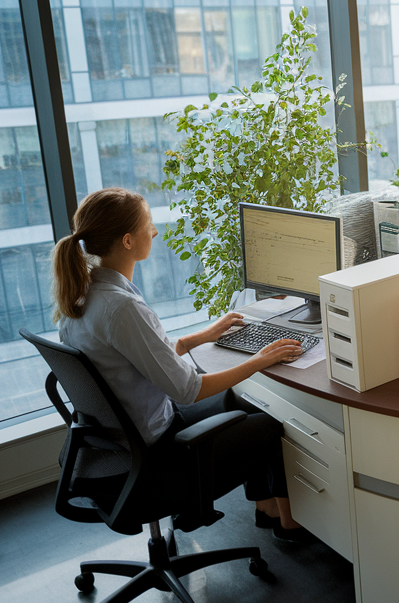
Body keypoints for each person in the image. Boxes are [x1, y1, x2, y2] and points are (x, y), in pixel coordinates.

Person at [54, 188, 313, 542]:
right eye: (149, 224)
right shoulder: (122, 308)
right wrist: (260, 359)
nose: (155, 232)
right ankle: (290, 525)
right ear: (128, 240)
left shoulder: (85, 295)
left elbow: (136, 360)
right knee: (269, 424)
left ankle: (268, 508)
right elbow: (189, 390)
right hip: (155, 451)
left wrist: (200, 337)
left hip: (121, 443)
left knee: (240, 402)